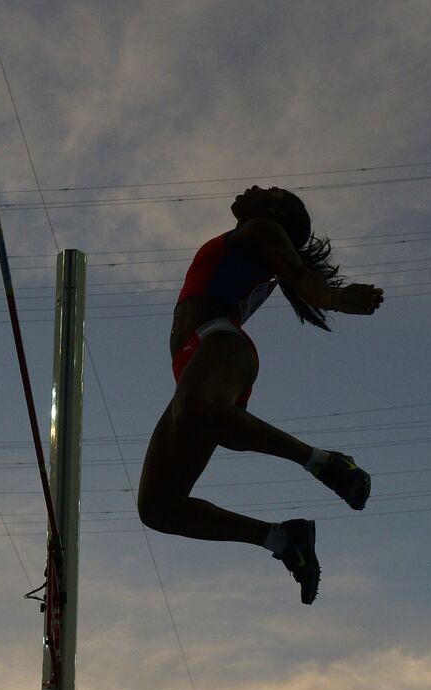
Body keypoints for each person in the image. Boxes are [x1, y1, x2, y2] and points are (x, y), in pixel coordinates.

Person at [136, 185, 384, 604]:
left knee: (194, 411)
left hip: (220, 345)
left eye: (269, 190)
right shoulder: (256, 241)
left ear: (275, 211)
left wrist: (336, 299)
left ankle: (324, 462)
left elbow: (301, 276)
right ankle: (283, 539)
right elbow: (296, 275)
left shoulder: (262, 229)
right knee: (159, 508)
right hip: (198, 361)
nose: (253, 187)